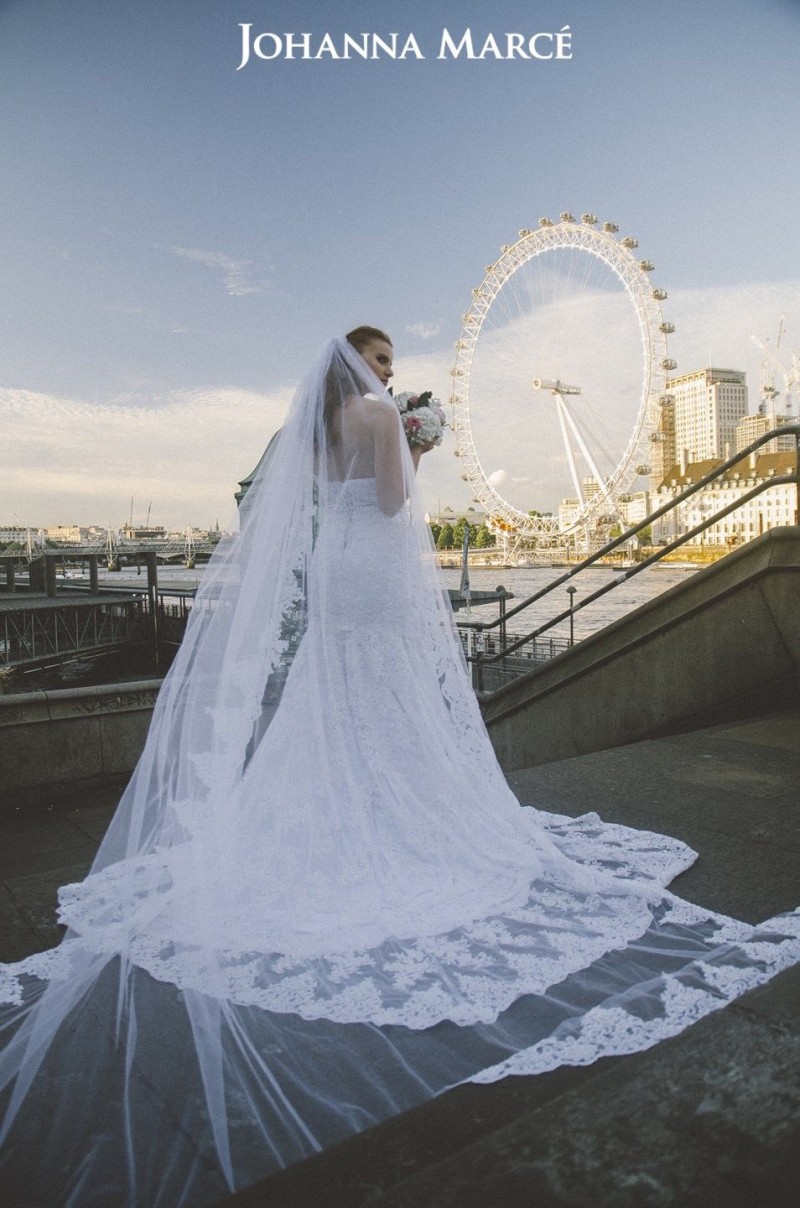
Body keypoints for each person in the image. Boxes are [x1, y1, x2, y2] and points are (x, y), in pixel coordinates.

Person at [1, 332, 798, 1206]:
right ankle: (394, 808)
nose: (390, 370)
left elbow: (325, 501)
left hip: (336, 572)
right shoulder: (381, 415)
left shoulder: (316, 426)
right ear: (365, 365)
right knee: (390, 690)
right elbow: (392, 504)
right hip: (376, 567)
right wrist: (413, 446)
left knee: (338, 691)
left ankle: (347, 806)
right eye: (381, 357)